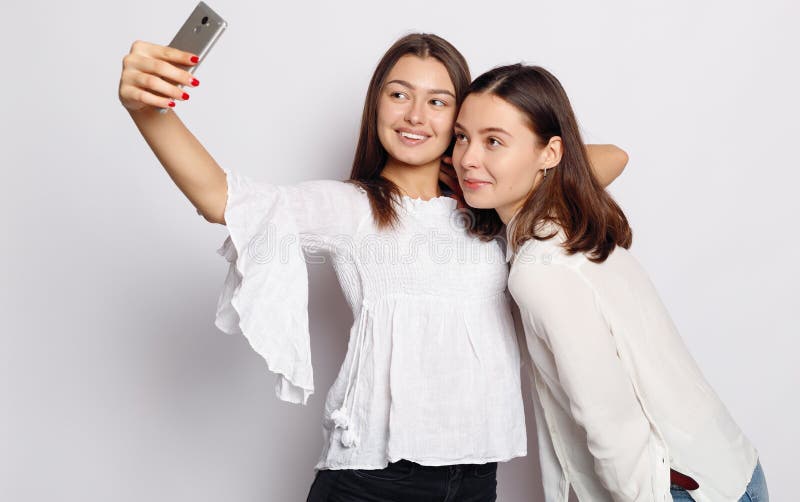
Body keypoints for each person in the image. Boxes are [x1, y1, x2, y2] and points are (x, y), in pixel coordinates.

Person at [118, 34, 628, 501]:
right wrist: (147, 112)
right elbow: (219, 198)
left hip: (476, 477)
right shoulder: (351, 209)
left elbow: (608, 159)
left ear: (460, 119)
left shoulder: (489, 210)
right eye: (398, 94)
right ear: (376, 105)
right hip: (374, 479)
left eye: (438, 102)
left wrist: (479, 163)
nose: (415, 116)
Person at [451, 63, 767, 502]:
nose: (467, 157)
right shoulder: (568, 221)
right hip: (725, 469)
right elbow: (599, 159)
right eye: (461, 136)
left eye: (493, 141)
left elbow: (611, 422)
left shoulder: (540, 271)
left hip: (675, 489)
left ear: (550, 153)